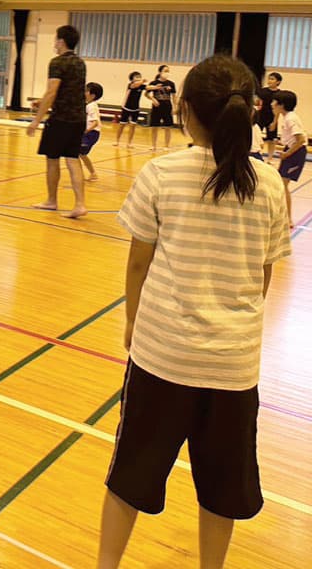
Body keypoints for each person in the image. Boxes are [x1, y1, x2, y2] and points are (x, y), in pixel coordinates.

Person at [97, 55, 291, 569]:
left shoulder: (161, 172)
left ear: (184, 110)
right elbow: (265, 276)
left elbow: (139, 261)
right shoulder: (270, 184)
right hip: (233, 365)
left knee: (130, 475)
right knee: (222, 486)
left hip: (163, 356)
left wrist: (133, 322)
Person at [26, 25, 88, 219]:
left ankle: (51, 200)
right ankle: (80, 204)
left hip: (60, 119)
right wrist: (42, 102)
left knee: (52, 160)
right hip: (78, 118)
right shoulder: (80, 63)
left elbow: (52, 91)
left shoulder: (57, 63)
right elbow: (68, 91)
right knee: (73, 159)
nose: (54, 42)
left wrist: (36, 121)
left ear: (61, 41)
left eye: (55, 39)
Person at [271, 90, 307, 228]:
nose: (272, 104)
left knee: (283, 185)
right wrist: (283, 145)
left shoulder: (291, 118)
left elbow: (301, 140)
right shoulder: (286, 117)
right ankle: (283, 216)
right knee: (281, 185)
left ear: (282, 105)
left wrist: (287, 153)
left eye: (274, 102)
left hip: (296, 154)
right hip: (290, 151)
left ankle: (288, 219)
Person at [114, 71, 161, 148]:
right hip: (126, 107)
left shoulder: (141, 86)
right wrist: (142, 81)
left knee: (133, 126)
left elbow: (148, 87)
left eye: (139, 76)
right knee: (122, 125)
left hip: (135, 108)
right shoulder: (131, 85)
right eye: (136, 76)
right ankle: (117, 141)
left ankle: (129, 143)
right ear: (132, 79)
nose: (138, 78)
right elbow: (135, 85)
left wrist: (156, 87)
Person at [146, 65, 177, 151]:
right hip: (157, 106)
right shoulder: (154, 83)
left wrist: (175, 107)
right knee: (154, 126)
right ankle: (153, 145)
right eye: (165, 71)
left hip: (167, 106)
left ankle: (166, 145)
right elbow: (146, 94)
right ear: (160, 72)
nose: (167, 73)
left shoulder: (171, 84)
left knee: (168, 127)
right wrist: (153, 99)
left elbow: (174, 96)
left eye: (168, 71)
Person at [256, 72, 282, 163]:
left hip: (272, 117)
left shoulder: (279, 94)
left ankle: (270, 158)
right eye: (269, 78)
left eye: (272, 79)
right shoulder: (262, 91)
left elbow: (278, 110)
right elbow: (258, 103)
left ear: (278, 82)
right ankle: (258, 153)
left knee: (271, 139)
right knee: (257, 136)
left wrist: (275, 122)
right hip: (260, 116)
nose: (269, 81)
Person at [81, 82, 103, 181]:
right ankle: (93, 174)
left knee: (78, 153)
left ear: (92, 95)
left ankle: (84, 174)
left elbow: (95, 122)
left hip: (91, 134)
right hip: (89, 134)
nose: (84, 92)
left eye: (86, 91)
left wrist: (86, 131)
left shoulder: (92, 106)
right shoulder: (89, 104)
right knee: (81, 154)